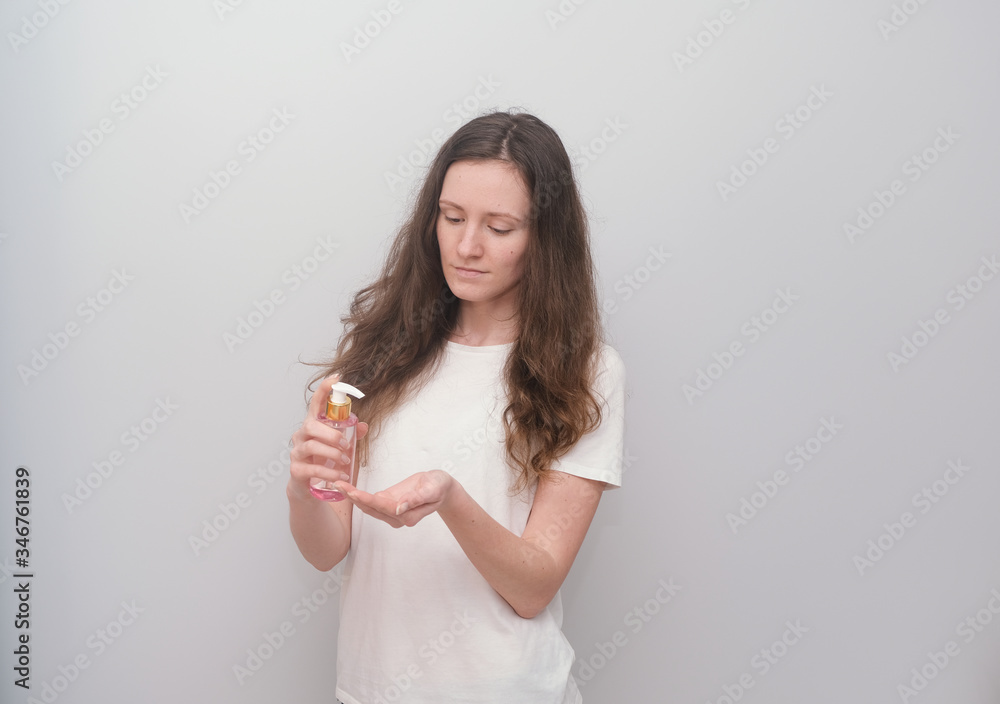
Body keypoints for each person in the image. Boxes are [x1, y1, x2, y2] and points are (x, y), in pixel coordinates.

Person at [286, 110, 627, 704]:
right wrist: (303, 488)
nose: (467, 246)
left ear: (544, 239)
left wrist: (450, 499)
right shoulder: (375, 359)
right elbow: (325, 551)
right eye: (452, 218)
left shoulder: (587, 372)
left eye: (499, 227)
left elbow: (534, 587)